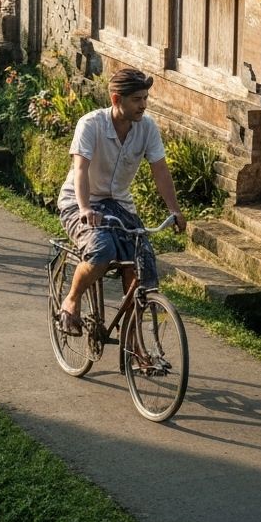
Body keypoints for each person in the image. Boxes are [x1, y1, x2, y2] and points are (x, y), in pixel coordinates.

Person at [55, 67, 187, 337]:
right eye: (137, 99)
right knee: (101, 251)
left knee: (142, 264)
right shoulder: (91, 124)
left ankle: (134, 344)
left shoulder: (147, 127)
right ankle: (72, 298)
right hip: (80, 201)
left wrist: (174, 209)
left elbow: (160, 170)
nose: (143, 105)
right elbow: (81, 170)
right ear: (116, 100)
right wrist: (84, 209)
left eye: (145, 98)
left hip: (120, 206)